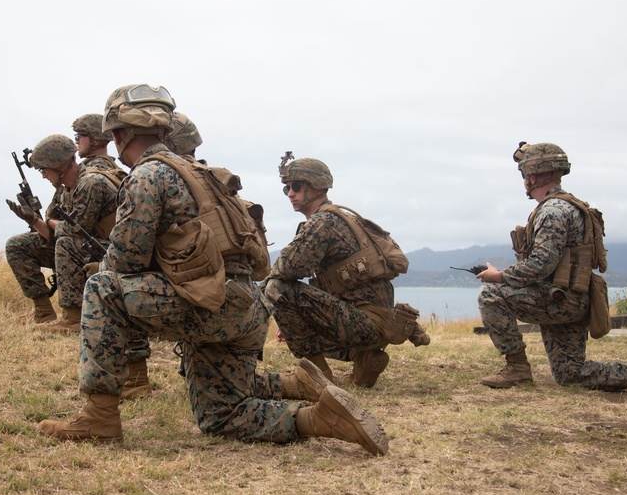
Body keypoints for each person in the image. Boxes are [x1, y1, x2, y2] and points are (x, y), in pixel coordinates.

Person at [37, 84, 389, 455]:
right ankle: (319, 418)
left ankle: (99, 415)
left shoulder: (146, 175)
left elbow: (125, 261)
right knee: (220, 415)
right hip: (245, 309)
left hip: (208, 305)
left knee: (101, 287)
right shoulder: (205, 173)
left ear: (120, 134)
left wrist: (102, 265)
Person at [475, 142, 627, 394]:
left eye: (524, 175)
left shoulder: (551, 212)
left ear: (531, 177)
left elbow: (541, 264)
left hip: (559, 300)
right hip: (573, 298)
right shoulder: (570, 205)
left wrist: (500, 276)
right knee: (571, 374)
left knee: (491, 294)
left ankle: (517, 369)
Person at [263, 155, 429, 388]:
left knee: (276, 288)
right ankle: (364, 357)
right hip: (375, 324)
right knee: (282, 295)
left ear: (317, 187)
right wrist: (290, 319)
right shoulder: (343, 217)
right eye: (287, 188)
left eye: (297, 186)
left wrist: (274, 299)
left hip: (363, 324)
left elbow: (289, 268)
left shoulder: (322, 222)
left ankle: (316, 376)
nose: (290, 193)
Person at [5, 134, 121, 333]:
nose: (43, 175)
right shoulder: (64, 189)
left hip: (109, 253)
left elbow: (75, 231)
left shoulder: (91, 183)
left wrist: (48, 221)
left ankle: (73, 318)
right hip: (83, 250)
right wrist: (33, 220)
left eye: (44, 170)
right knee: (17, 245)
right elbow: (54, 236)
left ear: (59, 166)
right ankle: (43, 313)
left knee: (67, 242)